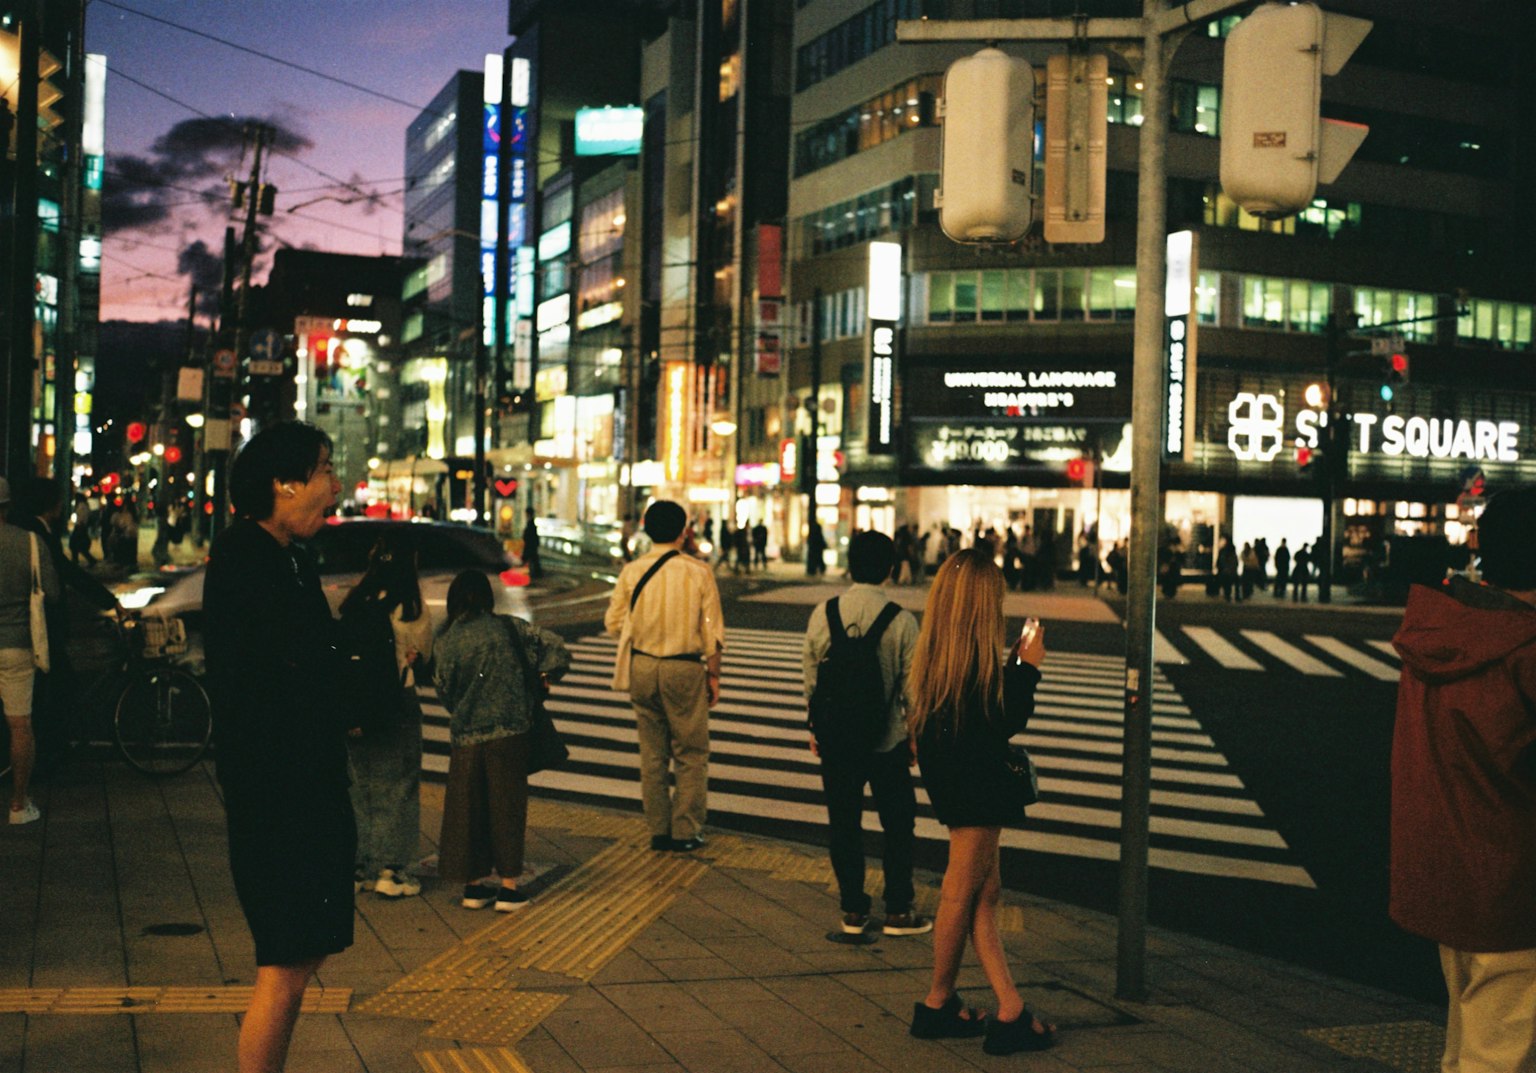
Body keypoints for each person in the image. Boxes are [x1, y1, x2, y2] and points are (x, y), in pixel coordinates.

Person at [203, 422, 351, 1073]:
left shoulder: (286, 558)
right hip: (278, 795)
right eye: (324, 470)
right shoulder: (248, 559)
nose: (335, 486)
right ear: (283, 484)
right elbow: (290, 670)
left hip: (302, 787)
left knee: (299, 958)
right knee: (285, 965)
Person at [1391, 488, 1536, 1073]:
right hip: (1514, 885)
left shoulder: (1443, 630)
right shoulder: (1524, 649)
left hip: (1448, 875)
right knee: (1500, 1055)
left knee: (1467, 1048)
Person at [907, 548, 1054, 1056]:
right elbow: (1005, 717)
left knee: (985, 890)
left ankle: (1008, 1007)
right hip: (976, 779)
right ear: (981, 606)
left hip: (952, 770)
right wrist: (1027, 668)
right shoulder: (973, 662)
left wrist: (1013, 664)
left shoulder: (943, 655)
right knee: (960, 890)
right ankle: (937, 1002)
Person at [802, 531, 929, 938]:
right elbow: (913, 691)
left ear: (850, 566)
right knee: (898, 824)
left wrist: (815, 727)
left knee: (844, 823)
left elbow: (812, 680)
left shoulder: (823, 614)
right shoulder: (902, 621)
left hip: (838, 740)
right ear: (890, 569)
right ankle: (898, 910)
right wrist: (913, 736)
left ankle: (854, 911)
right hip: (886, 740)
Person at [434, 570, 570, 911]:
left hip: (467, 735)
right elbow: (554, 646)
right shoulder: (510, 627)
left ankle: (474, 886)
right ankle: (509, 888)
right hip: (510, 733)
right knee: (506, 807)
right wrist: (545, 674)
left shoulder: (446, 639)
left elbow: (444, 689)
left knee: (469, 809)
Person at [604, 500, 724, 852]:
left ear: (647, 529)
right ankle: (685, 830)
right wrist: (714, 675)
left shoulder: (632, 571)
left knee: (652, 753)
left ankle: (658, 829)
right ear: (683, 532)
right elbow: (712, 632)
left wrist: (640, 631)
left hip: (642, 666)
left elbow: (613, 622)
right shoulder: (698, 572)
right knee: (691, 752)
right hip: (683, 667)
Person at [339, 534, 434, 900]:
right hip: (396, 702)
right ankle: (392, 871)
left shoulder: (356, 599)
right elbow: (422, 653)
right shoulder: (409, 606)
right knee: (400, 786)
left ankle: (359, 867)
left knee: (359, 787)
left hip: (354, 703)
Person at [12, 477, 122, 771]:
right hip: (40, 627)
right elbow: (64, 573)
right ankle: (48, 750)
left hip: (36, 627)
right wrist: (108, 601)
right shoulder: (35, 534)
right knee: (58, 687)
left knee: (52, 687)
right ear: (51, 504)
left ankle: (50, 747)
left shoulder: (28, 528)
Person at [1, 477, 60, 825]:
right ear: (8, 507)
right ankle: (18, 806)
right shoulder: (30, 543)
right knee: (21, 725)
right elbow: (52, 591)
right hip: (18, 645)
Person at [521, 508, 542, 580]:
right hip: (532, 545)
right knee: (533, 559)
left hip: (530, 545)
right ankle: (535, 572)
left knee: (532, 558)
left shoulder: (531, 523)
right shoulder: (531, 522)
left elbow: (529, 535)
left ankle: (536, 573)